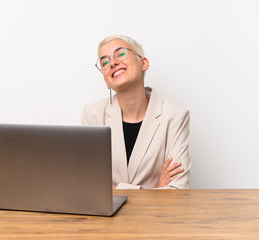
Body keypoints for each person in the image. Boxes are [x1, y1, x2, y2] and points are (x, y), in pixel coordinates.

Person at [81, 35, 190, 189]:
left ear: (143, 63)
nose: (112, 62)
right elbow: (88, 186)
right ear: (106, 81)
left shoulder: (175, 115)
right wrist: (156, 190)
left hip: (157, 214)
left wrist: (114, 190)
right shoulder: (92, 115)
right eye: (104, 62)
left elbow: (177, 190)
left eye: (121, 54)